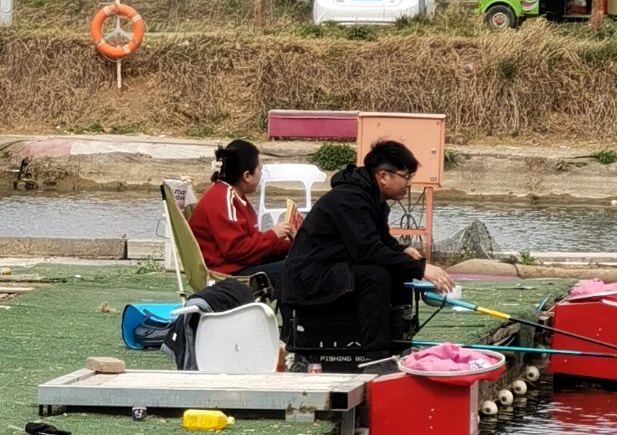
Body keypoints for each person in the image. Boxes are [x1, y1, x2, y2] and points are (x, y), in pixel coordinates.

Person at [282, 139, 456, 360]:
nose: (409, 183)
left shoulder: (371, 198)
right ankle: (377, 356)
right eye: (406, 177)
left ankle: (398, 341)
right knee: (374, 276)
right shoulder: (349, 199)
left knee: (395, 269)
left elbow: (379, 240)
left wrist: (401, 250)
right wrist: (421, 268)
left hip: (334, 269)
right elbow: (366, 250)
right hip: (310, 278)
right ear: (384, 176)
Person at [186, 140, 297, 279]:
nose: (261, 174)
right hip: (229, 274)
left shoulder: (232, 195)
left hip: (240, 264)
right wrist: (273, 235)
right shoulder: (222, 199)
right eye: (259, 170)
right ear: (247, 176)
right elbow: (236, 249)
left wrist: (291, 245)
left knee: (302, 259)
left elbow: (250, 243)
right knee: (301, 267)